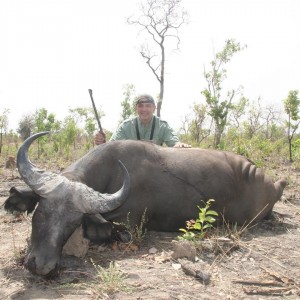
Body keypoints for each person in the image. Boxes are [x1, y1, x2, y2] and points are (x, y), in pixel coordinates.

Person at [95, 94, 191, 148]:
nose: (144, 109)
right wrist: (102, 142)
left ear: (154, 108)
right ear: (136, 108)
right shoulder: (126, 126)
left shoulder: (162, 125)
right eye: (141, 106)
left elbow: (174, 143)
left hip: (156, 167)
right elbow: (111, 146)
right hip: (131, 168)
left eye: (148, 106)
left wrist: (180, 145)